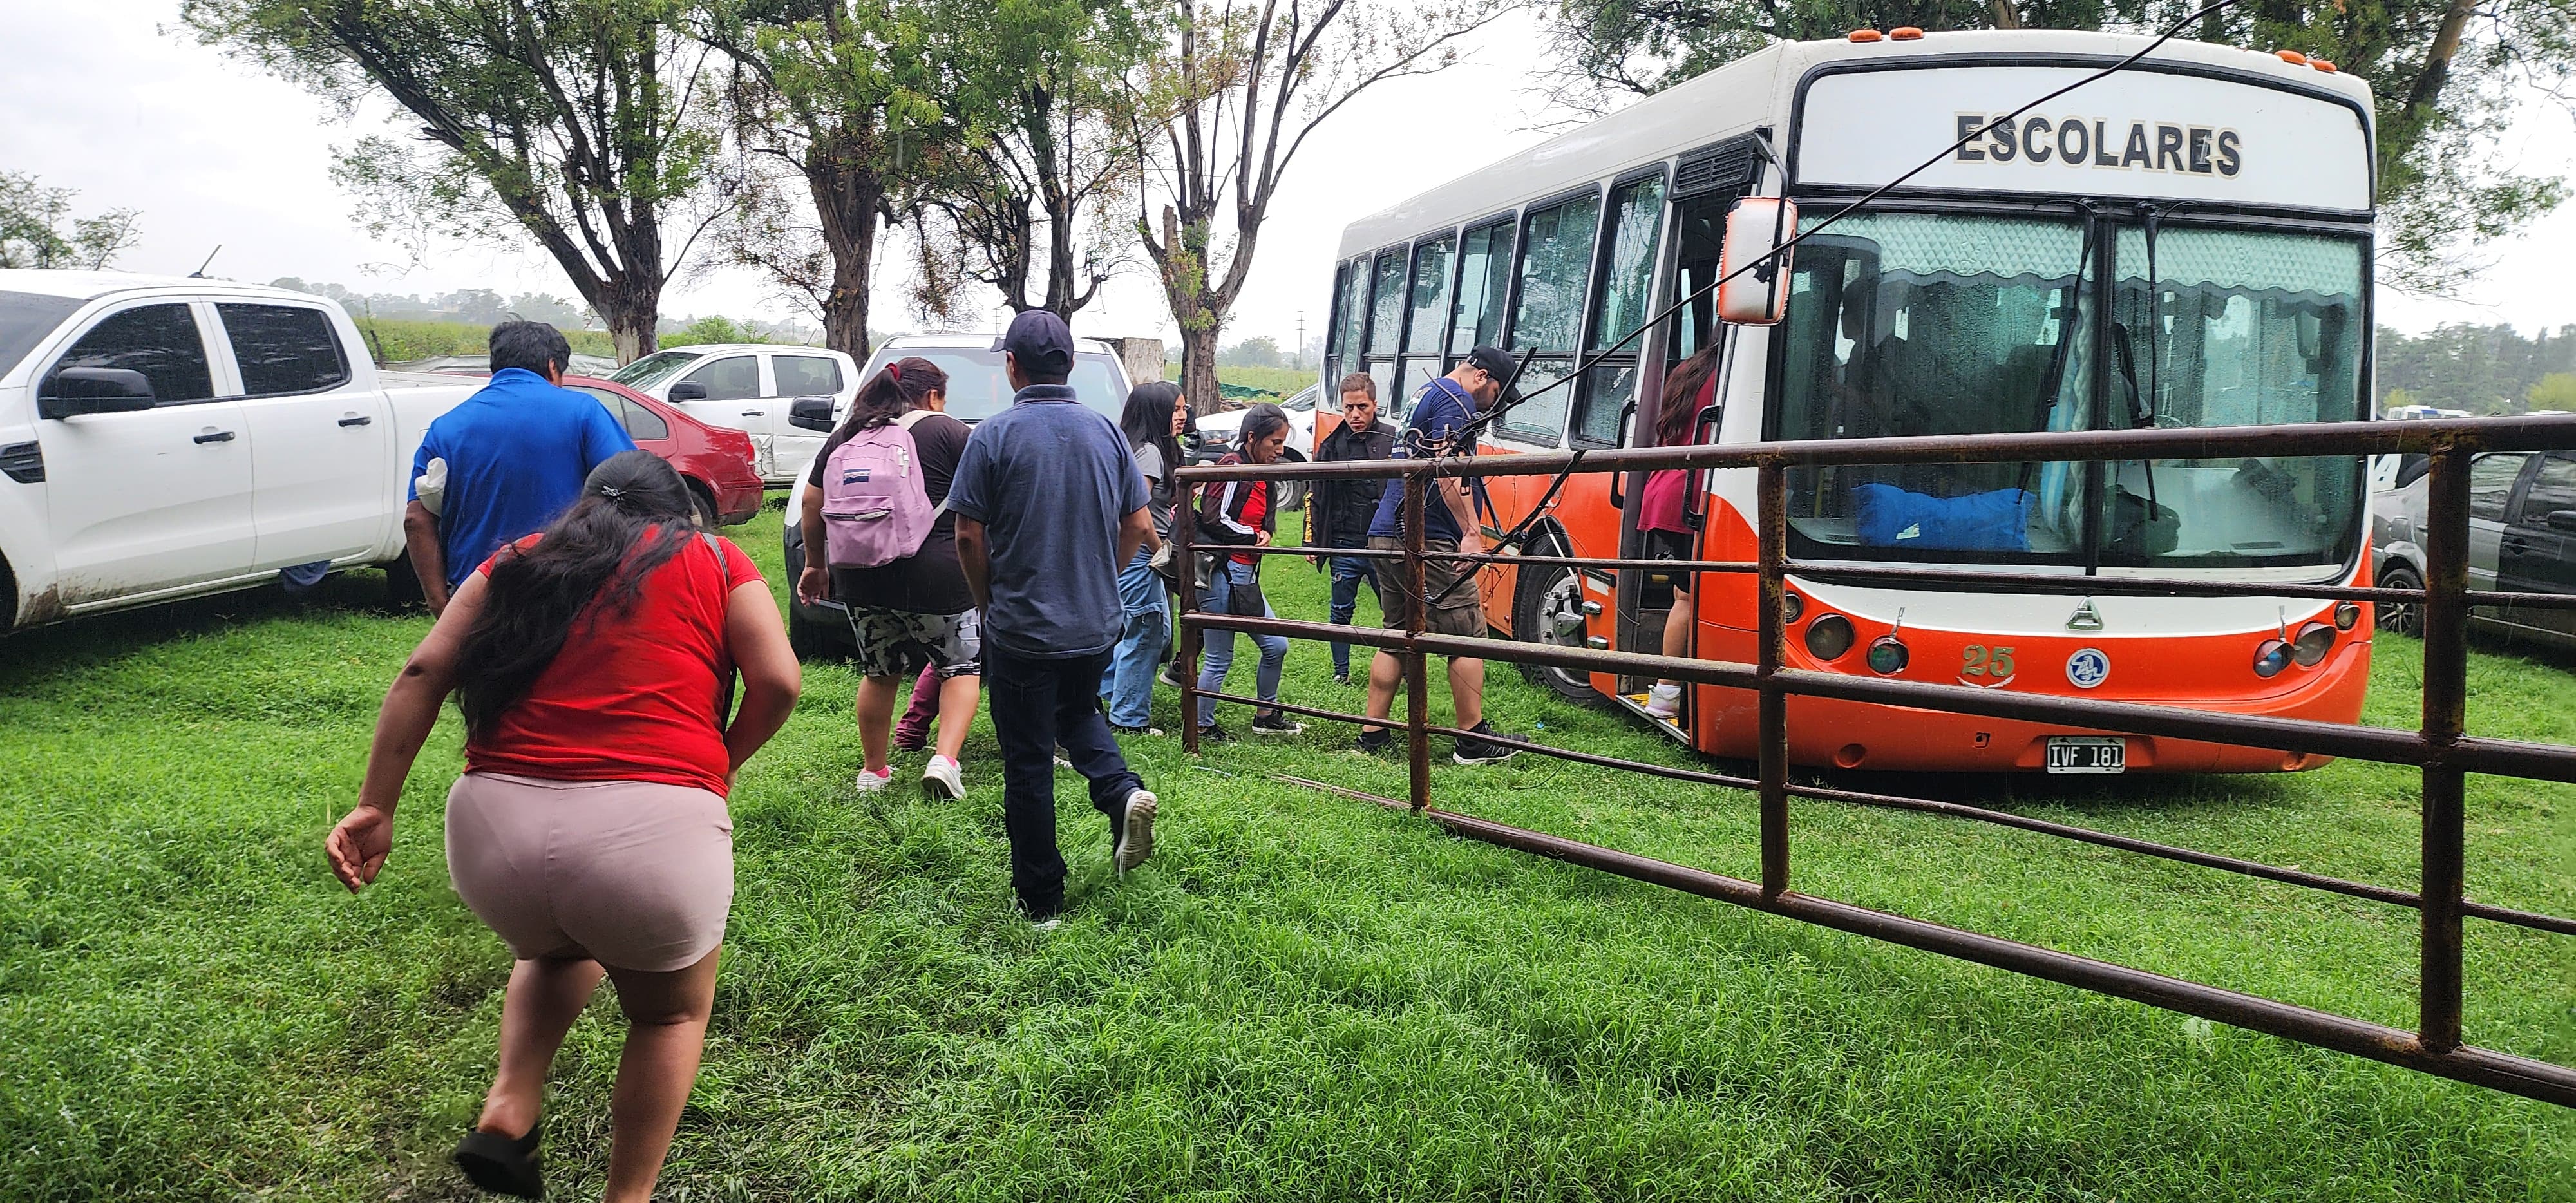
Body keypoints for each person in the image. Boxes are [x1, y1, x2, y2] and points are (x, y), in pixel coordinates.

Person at [324, 451, 800, 1203]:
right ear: (679, 514)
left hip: (493, 836)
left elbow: (421, 672)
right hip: (651, 830)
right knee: (669, 1011)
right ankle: (628, 1195)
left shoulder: (514, 560)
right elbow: (779, 680)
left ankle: (510, 1107)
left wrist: (377, 805)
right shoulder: (715, 557)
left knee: (555, 944)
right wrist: (721, 762)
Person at [946, 309, 1159, 925]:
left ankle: (1042, 901)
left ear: (1011, 366)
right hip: (1094, 624)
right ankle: (1121, 795)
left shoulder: (992, 435)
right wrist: (1104, 578)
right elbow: (1140, 526)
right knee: (1077, 710)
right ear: (1069, 364)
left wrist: (987, 604)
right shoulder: (1107, 433)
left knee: (1029, 760)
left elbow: (967, 537)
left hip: (1022, 628)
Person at [795, 357, 982, 800]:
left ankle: (873, 772)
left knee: (879, 673)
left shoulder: (848, 435)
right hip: (937, 575)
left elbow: (810, 503)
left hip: (861, 574)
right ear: (933, 396)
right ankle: (944, 761)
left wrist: (816, 564)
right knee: (959, 668)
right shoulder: (950, 431)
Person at [1356, 346, 1524, 764]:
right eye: (1497, 394)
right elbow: (1448, 467)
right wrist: (1471, 532)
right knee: (1466, 633)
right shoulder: (1457, 399)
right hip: (1427, 537)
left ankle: (1372, 734)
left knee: (1396, 634)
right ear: (1482, 377)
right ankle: (1473, 740)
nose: (1494, 406)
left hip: (1385, 532)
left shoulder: (1423, 394)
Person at [405, 321, 637, 616]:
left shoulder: (445, 427)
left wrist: (441, 605)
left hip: (476, 596)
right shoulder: (583, 411)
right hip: (565, 589)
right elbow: (633, 488)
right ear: (553, 367)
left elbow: (416, 520)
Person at [1191, 403, 1304, 741]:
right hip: (1221, 574)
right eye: (1274, 442)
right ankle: (1202, 725)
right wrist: (1252, 536)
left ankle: (1265, 715)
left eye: (1283, 442)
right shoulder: (1233, 466)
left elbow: (1264, 515)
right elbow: (1214, 516)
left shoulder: (1261, 470)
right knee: (1219, 656)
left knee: (1276, 646)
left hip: (1246, 574)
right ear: (1253, 438)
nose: (1280, 450)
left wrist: (1264, 532)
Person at [1639, 345, 1723, 723]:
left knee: (1683, 595)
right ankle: (1669, 693)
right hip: (1696, 494)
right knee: (1689, 598)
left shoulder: (1690, 368)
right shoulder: (1731, 374)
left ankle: (1669, 692)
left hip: (1666, 489)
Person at [1104, 382, 1185, 733]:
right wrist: (1160, 550)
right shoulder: (1150, 453)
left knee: (1145, 630)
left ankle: (1107, 691)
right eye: (1177, 410)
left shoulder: (1127, 445)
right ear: (1157, 413)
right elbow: (1138, 514)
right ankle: (1128, 717)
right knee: (1149, 629)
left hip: (1131, 551)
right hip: (1140, 554)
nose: (1183, 416)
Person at [1311, 372, 1396, 684]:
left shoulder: (1393, 439)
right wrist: (1312, 542)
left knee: (1395, 609)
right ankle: (1340, 672)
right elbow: (1316, 495)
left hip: (1384, 542)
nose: (1355, 415)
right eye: (1349, 408)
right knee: (1340, 610)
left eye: (1362, 407)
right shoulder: (1331, 445)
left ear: (1375, 404)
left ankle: (1399, 668)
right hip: (1344, 541)